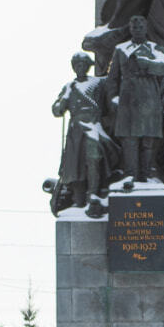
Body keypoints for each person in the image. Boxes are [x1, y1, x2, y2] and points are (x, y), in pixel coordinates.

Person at [106, 15, 164, 182]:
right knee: (129, 139)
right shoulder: (121, 49)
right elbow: (113, 77)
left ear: (146, 29)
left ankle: (145, 174)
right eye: (134, 27)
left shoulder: (155, 48)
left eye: (141, 27)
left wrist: (147, 63)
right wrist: (113, 97)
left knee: (147, 140)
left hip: (149, 97)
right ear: (130, 29)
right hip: (127, 99)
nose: (137, 30)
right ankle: (130, 175)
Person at [52, 52, 119, 215]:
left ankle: (94, 194)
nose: (79, 68)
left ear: (88, 66)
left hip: (93, 126)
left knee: (93, 159)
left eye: (82, 65)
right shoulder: (69, 87)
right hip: (76, 131)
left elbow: (113, 78)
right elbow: (56, 110)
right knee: (75, 165)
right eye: (76, 65)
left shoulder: (98, 83)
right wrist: (63, 101)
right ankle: (79, 198)